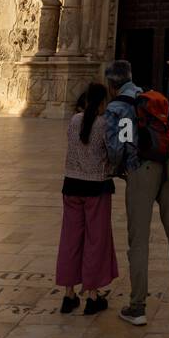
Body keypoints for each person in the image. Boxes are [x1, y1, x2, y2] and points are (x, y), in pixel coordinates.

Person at [103, 59, 169, 326]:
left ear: (111, 84)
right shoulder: (151, 97)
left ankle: (137, 306)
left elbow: (117, 147)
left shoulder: (118, 107)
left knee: (139, 240)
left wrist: (118, 169)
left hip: (141, 171)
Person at [55, 81, 118, 315]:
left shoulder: (74, 120)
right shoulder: (104, 124)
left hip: (70, 187)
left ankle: (68, 295)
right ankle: (92, 296)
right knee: (96, 241)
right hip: (96, 189)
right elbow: (111, 153)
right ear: (102, 102)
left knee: (70, 239)